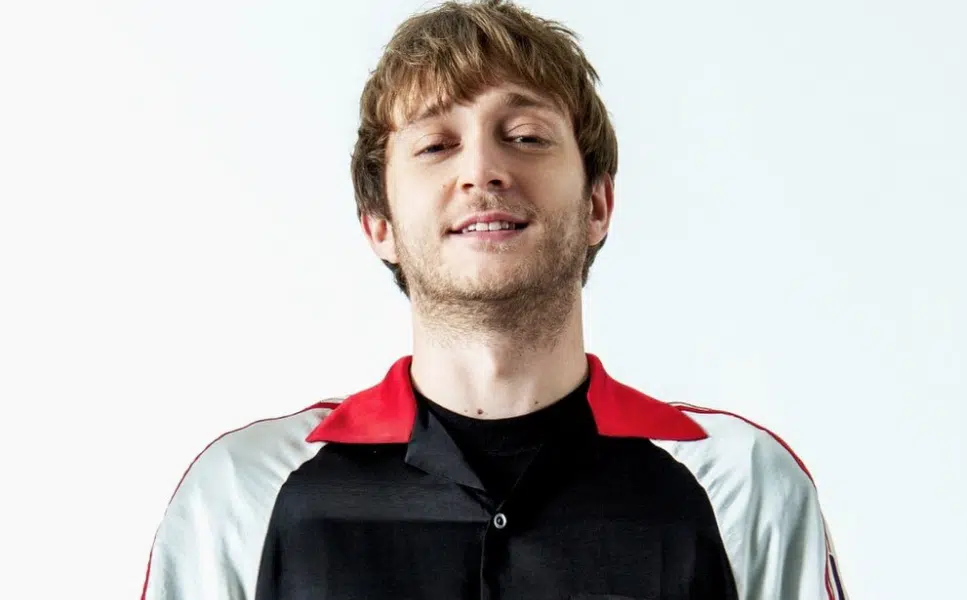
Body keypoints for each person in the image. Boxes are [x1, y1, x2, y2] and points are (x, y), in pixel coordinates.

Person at [140, 1, 848, 598]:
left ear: (598, 205)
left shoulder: (741, 488)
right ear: (378, 224)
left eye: (526, 136)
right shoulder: (242, 495)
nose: (482, 170)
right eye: (435, 146)